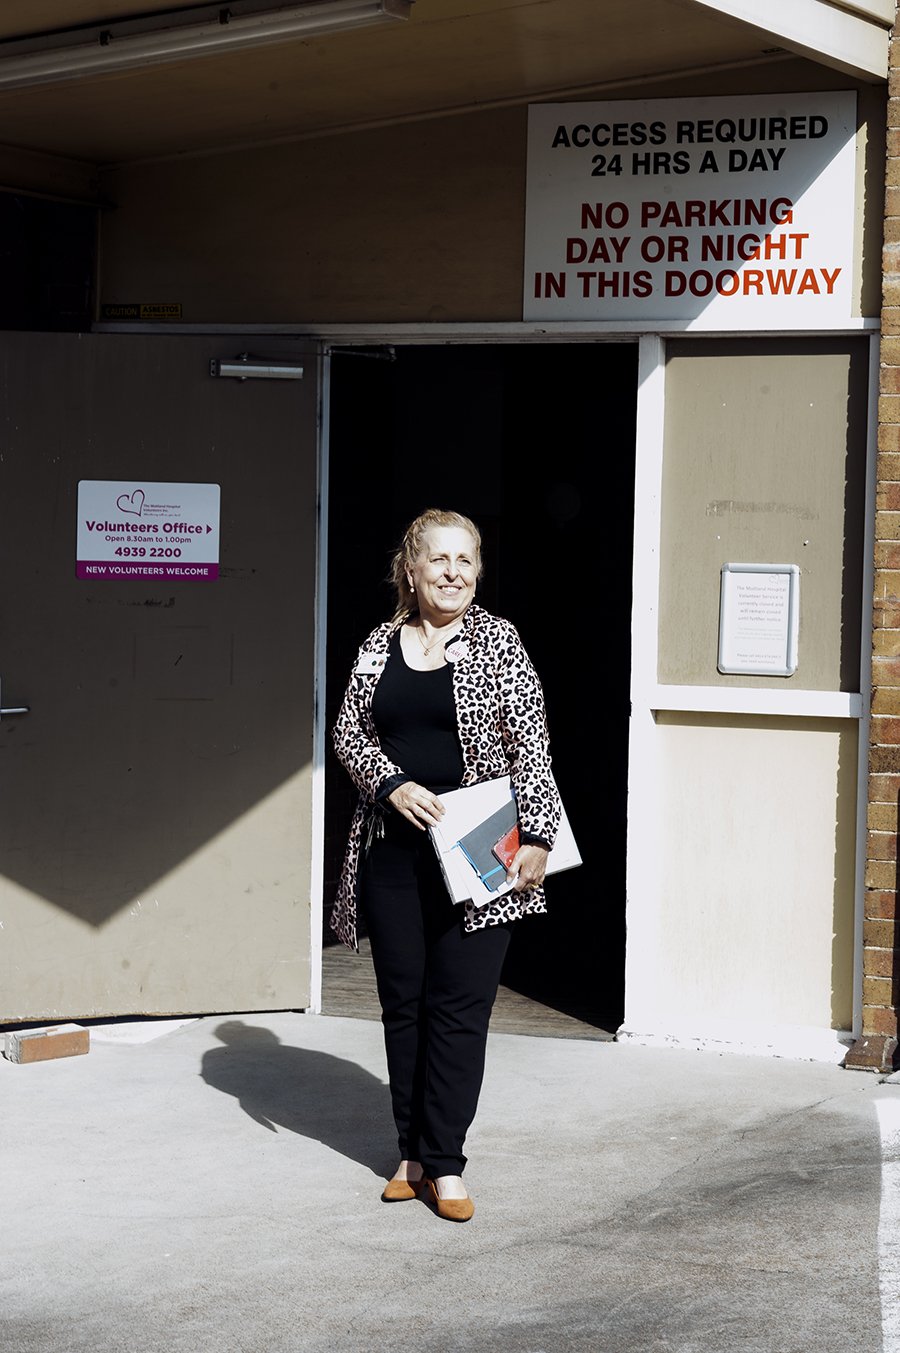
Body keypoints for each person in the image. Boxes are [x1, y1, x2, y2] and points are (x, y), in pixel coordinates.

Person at [331, 507, 561, 1222]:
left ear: (478, 570)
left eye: (466, 560)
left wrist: (539, 836)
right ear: (412, 568)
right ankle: (411, 1153)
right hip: (395, 852)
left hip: (484, 842)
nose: (454, 572)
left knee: (461, 1006)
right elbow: (347, 730)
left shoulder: (499, 640)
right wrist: (390, 781)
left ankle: (447, 1161)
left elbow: (533, 744)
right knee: (405, 1004)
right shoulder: (379, 644)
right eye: (440, 560)